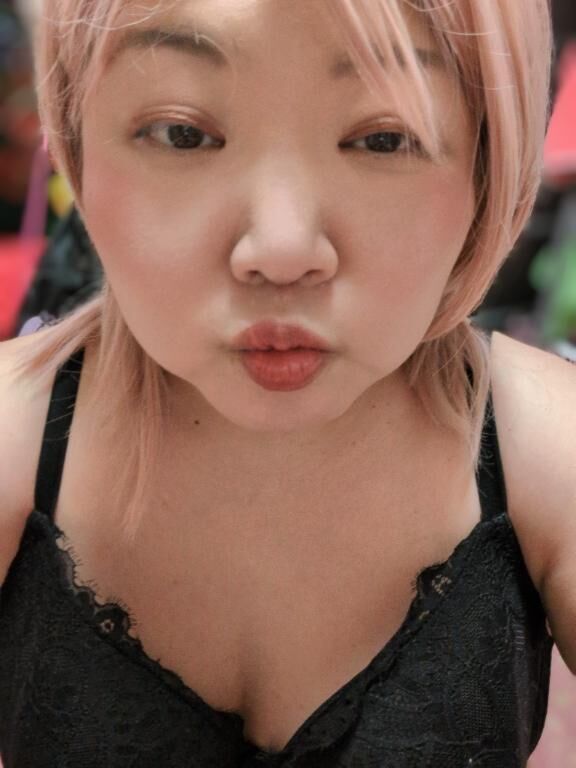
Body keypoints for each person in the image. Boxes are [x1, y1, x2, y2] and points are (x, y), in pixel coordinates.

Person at [0, 1, 573, 766]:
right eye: (182, 133)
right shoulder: (12, 439)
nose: (280, 250)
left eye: (382, 138)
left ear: (487, 161)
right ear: (75, 142)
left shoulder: (551, 452)